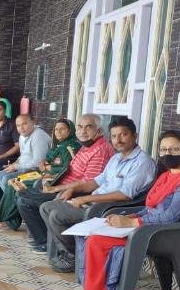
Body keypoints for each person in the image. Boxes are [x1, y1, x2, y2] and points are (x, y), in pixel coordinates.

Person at [76, 130, 180, 290]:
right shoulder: (166, 175)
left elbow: (170, 217)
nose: (168, 153)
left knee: (97, 241)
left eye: (174, 149)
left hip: (163, 234)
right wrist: (129, 217)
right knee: (87, 234)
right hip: (149, 227)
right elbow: (150, 207)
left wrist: (132, 223)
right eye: (163, 149)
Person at [40, 116, 156, 272]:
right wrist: (74, 189)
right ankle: (70, 252)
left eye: (123, 135)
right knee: (46, 207)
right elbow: (95, 182)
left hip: (109, 208)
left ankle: (72, 256)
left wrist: (85, 198)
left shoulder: (142, 162)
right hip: (94, 202)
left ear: (134, 136)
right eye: (114, 136)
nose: (118, 140)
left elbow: (124, 195)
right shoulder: (116, 158)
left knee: (57, 215)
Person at [16, 113, 116, 254]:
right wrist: (51, 178)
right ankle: (43, 238)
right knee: (22, 192)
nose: (83, 131)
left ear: (99, 130)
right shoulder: (87, 145)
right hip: (63, 186)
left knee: (24, 199)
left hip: (74, 192)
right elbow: (67, 169)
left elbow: (88, 183)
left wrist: (56, 188)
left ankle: (44, 241)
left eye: (88, 127)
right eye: (80, 127)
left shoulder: (100, 150)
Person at [0, 119, 81, 230]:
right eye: (56, 129)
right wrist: (43, 163)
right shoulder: (58, 145)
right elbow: (49, 160)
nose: (58, 132)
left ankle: (3, 220)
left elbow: (67, 168)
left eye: (62, 129)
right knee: (13, 181)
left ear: (70, 131)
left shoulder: (70, 147)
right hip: (42, 173)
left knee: (16, 185)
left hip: (52, 179)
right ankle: (11, 221)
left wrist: (48, 167)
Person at [0, 114, 52, 195]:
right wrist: (13, 164)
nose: (21, 128)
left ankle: (17, 198)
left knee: (7, 178)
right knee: (0, 174)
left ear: (33, 123)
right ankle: (13, 198)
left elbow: (38, 163)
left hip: (36, 171)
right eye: (18, 125)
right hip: (23, 168)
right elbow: (23, 155)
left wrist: (16, 167)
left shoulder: (38, 136)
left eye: (24, 124)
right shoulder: (22, 135)